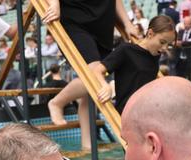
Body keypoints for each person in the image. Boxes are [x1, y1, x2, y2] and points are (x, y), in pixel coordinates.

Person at [42, 0, 138, 151]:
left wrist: (127, 23)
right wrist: (54, 4)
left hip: (102, 23)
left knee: (90, 92)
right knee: (95, 78)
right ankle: (57, 102)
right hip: (75, 18)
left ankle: (87, 145)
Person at [92, 15, 176, 114]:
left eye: (168, 44)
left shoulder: (155, 56)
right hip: (126, 113)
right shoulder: (126, 50)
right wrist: (105, 86)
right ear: (150, 34)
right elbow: (97, 70)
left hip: (145, 113)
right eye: (162, 42)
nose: (164, 48)